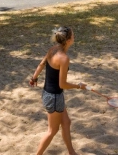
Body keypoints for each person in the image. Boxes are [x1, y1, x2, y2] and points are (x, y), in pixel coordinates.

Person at [29, 27, 86, 155]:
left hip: (49, 94)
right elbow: (63, 84)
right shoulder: (64, 58)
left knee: (66, 122)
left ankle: (72, 152)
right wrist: (79, 86)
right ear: (68, 40)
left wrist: (33, 78)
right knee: (52, 131)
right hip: (54, 97)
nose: (74, 36)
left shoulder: (53, 49)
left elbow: (41, 64)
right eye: (73, 35)